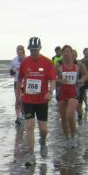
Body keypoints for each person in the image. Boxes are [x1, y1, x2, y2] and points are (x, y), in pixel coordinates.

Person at [16, 37, 57, 166]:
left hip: (42, 100)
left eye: (36, 49)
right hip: (28, 100)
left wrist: (50, 91)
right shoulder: (25, 62)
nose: (33, 52)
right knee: (29, 126)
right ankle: (31, 155)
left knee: (43, 129)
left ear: (40, 48)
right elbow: (19, 80)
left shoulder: (47, 62)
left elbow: (53, 80)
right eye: (31, 50)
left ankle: (43, 142)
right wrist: (18, 98)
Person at [55, 45, 88, 148]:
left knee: (69, 115)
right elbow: (51, 77)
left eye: (68, 51)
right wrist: (60, 80)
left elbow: (86, 74)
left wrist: (81, 80)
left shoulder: (78, 64)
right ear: (62, 54)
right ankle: (67, 138)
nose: (66, 53)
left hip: (74, 93)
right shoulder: (58, 65)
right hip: (61, 93)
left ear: (71, 53)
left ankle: (73, 137)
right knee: (63, 118)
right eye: (64, 52)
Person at [9, 45, 26, 125]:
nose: (19, 51)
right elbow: (11, 72)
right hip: (17, 82)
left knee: (24, 100)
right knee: (17, 99)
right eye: (18, 50)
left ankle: (24, 114)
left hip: (26, 82)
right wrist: (13, 71)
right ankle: (18, 116)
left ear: (23, 51)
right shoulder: (14, 60)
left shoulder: (27, 59)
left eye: (21, 50)